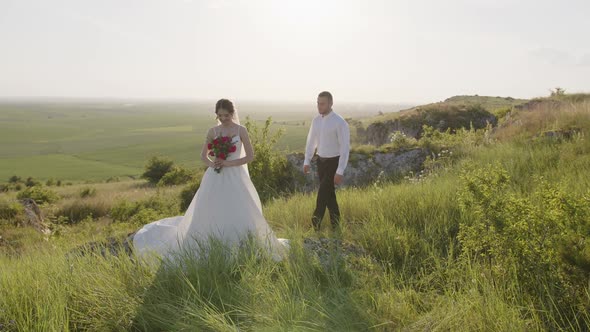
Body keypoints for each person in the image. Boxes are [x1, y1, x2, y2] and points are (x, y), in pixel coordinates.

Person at [132, 99, 289, 263]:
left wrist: (228, 163)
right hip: (215, 176)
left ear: (232, 113)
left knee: (239, 207)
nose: (223, 118)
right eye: (220, 115)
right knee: (211, 208)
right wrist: (213, 164)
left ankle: (242, 243)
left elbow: (250, 156)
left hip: (236, 176)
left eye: (226, 115)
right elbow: (203, 156)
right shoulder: (213, 131)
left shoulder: (241, 130)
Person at [303, 91, 350, 232]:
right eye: (318, 103)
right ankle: (336, 227)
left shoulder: (340, 122)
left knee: (322, 195)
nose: (319, 106)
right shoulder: (316, 120)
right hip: (320, 163)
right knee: (330, 196)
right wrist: (307, 160)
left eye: (322, 103)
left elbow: (345, 149)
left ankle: (314, 227)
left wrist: (340, 170)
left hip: (333, 163)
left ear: (330, 103)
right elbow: (311, 141)